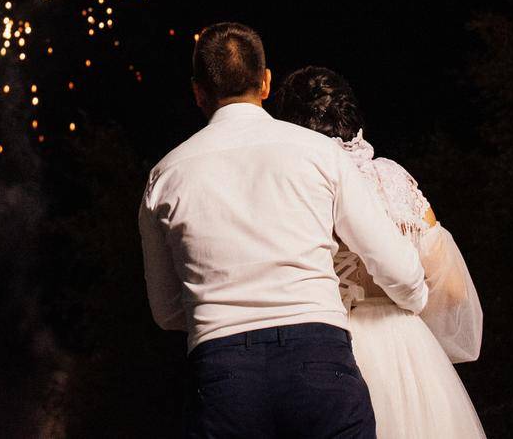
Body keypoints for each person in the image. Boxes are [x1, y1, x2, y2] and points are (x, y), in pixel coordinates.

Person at [139, 23, 429, 438]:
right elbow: (396, 266)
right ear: (266, 82)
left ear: (198, 91)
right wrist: (415, 298)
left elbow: (167, 312)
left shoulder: (164, 176)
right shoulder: (319, 153)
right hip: (321, 364)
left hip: (223, 378)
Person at [276, 66, 486, 439]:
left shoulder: (296, 192)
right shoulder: (390, 178)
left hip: (327, 351)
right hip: (404, 349)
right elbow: (452, 290)